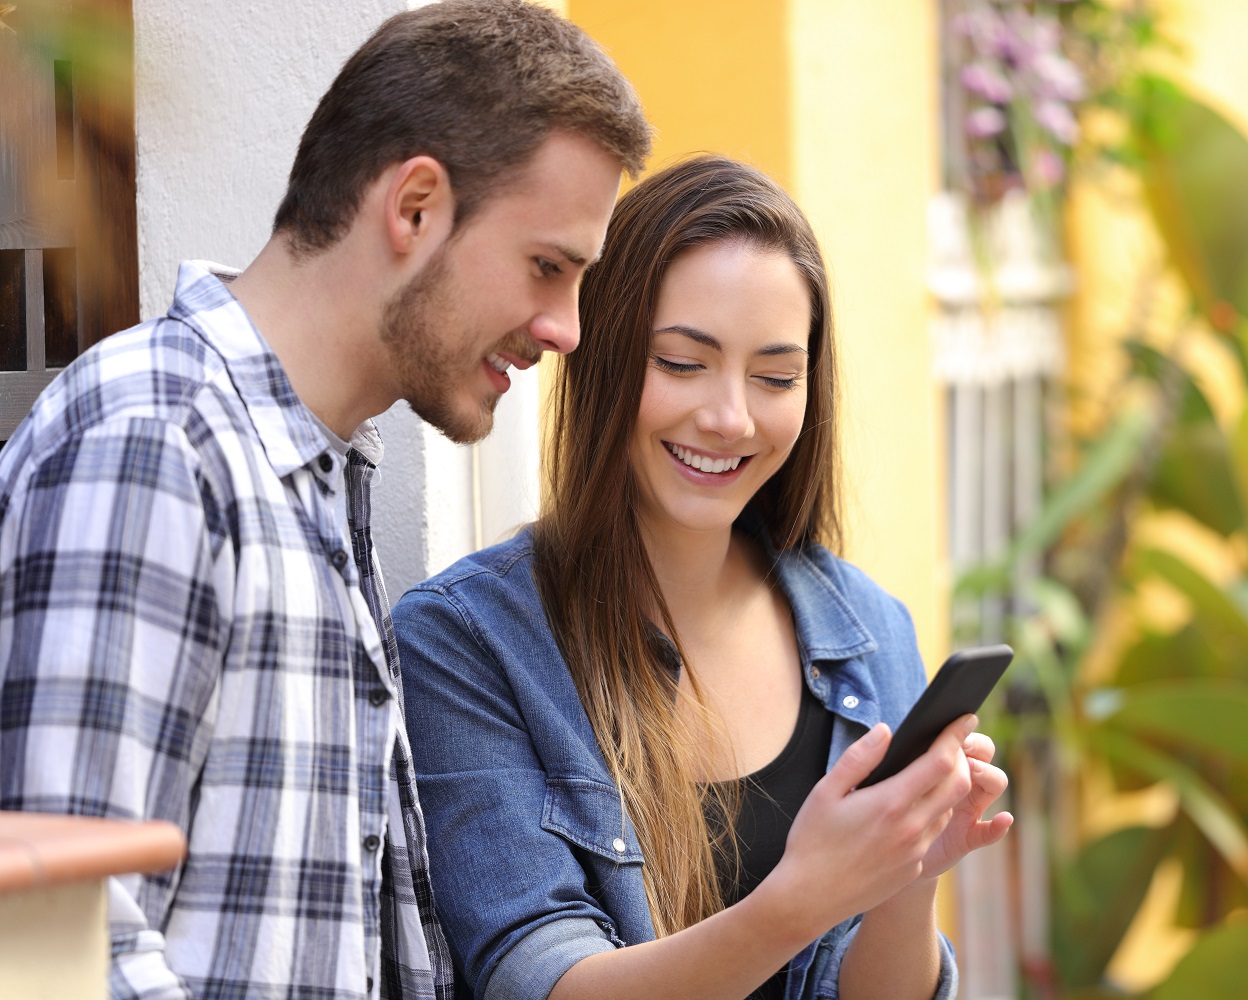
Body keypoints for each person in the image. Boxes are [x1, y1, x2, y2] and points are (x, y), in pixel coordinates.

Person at [0, 2, 651, 997]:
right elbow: (55, 945)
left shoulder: (311, 472)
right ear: (416, 207)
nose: (565, 328)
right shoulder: (154, 441)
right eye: (547, 267)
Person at [392, 156, 1013, 1000]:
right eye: (683, 363)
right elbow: (538, 979)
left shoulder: (867, 629)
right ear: (603, 358)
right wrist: (801, 900)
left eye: (775, 377)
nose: (730, 417)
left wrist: (906, 878)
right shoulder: (466, 642)